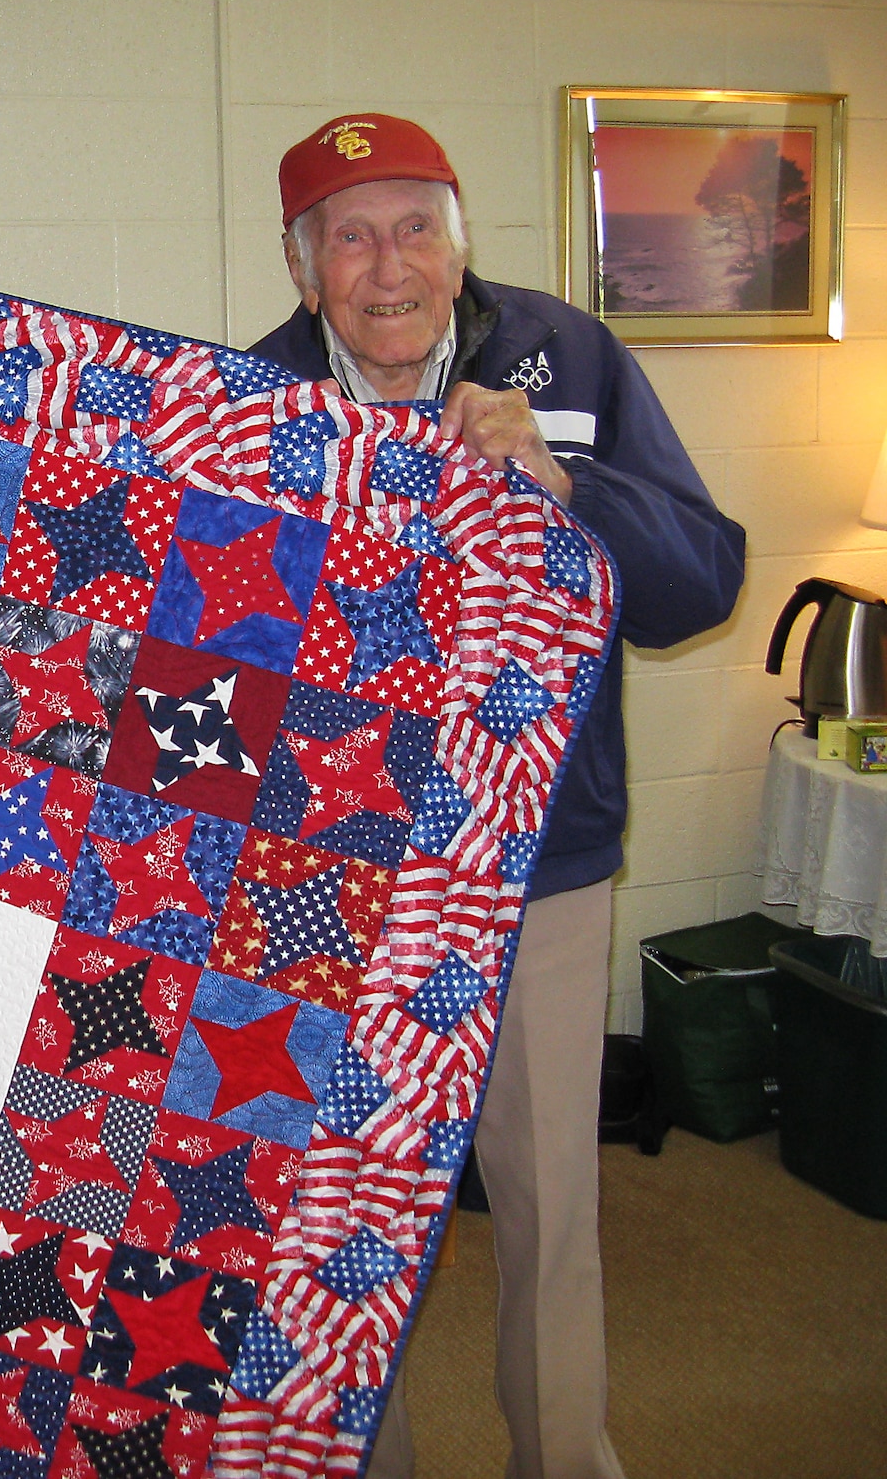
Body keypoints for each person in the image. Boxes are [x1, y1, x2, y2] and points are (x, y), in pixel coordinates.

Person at [249, 116, 746, 1479]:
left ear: (460, 242)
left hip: (543, 868)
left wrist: (559, 484)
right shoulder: (246, 400)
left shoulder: (570, 359)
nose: (388, 264)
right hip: (333, 885)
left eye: (415, 226)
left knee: (549, 1208)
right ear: (305, 271)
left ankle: (563, 1462)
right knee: (342, 1225)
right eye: (350, 235)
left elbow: (703, 579)